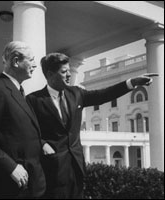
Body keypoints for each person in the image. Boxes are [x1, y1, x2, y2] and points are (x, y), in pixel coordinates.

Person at [26, 52, 156, 199]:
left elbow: (103, 94)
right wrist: (43, 144)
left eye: (69, 70)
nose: (69, 75)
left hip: (76, 168)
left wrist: (132, 83)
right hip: (52, 170)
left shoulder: (76, 93)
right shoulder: (33, 100)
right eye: (64, 72)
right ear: (50, 74)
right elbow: (28, 133)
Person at [0, 41, 46, 199]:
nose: (35, 65)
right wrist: (11, 167)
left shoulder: (18, 90)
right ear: (16, 61)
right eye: (31, 60)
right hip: (7, 184)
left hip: (29, 183)